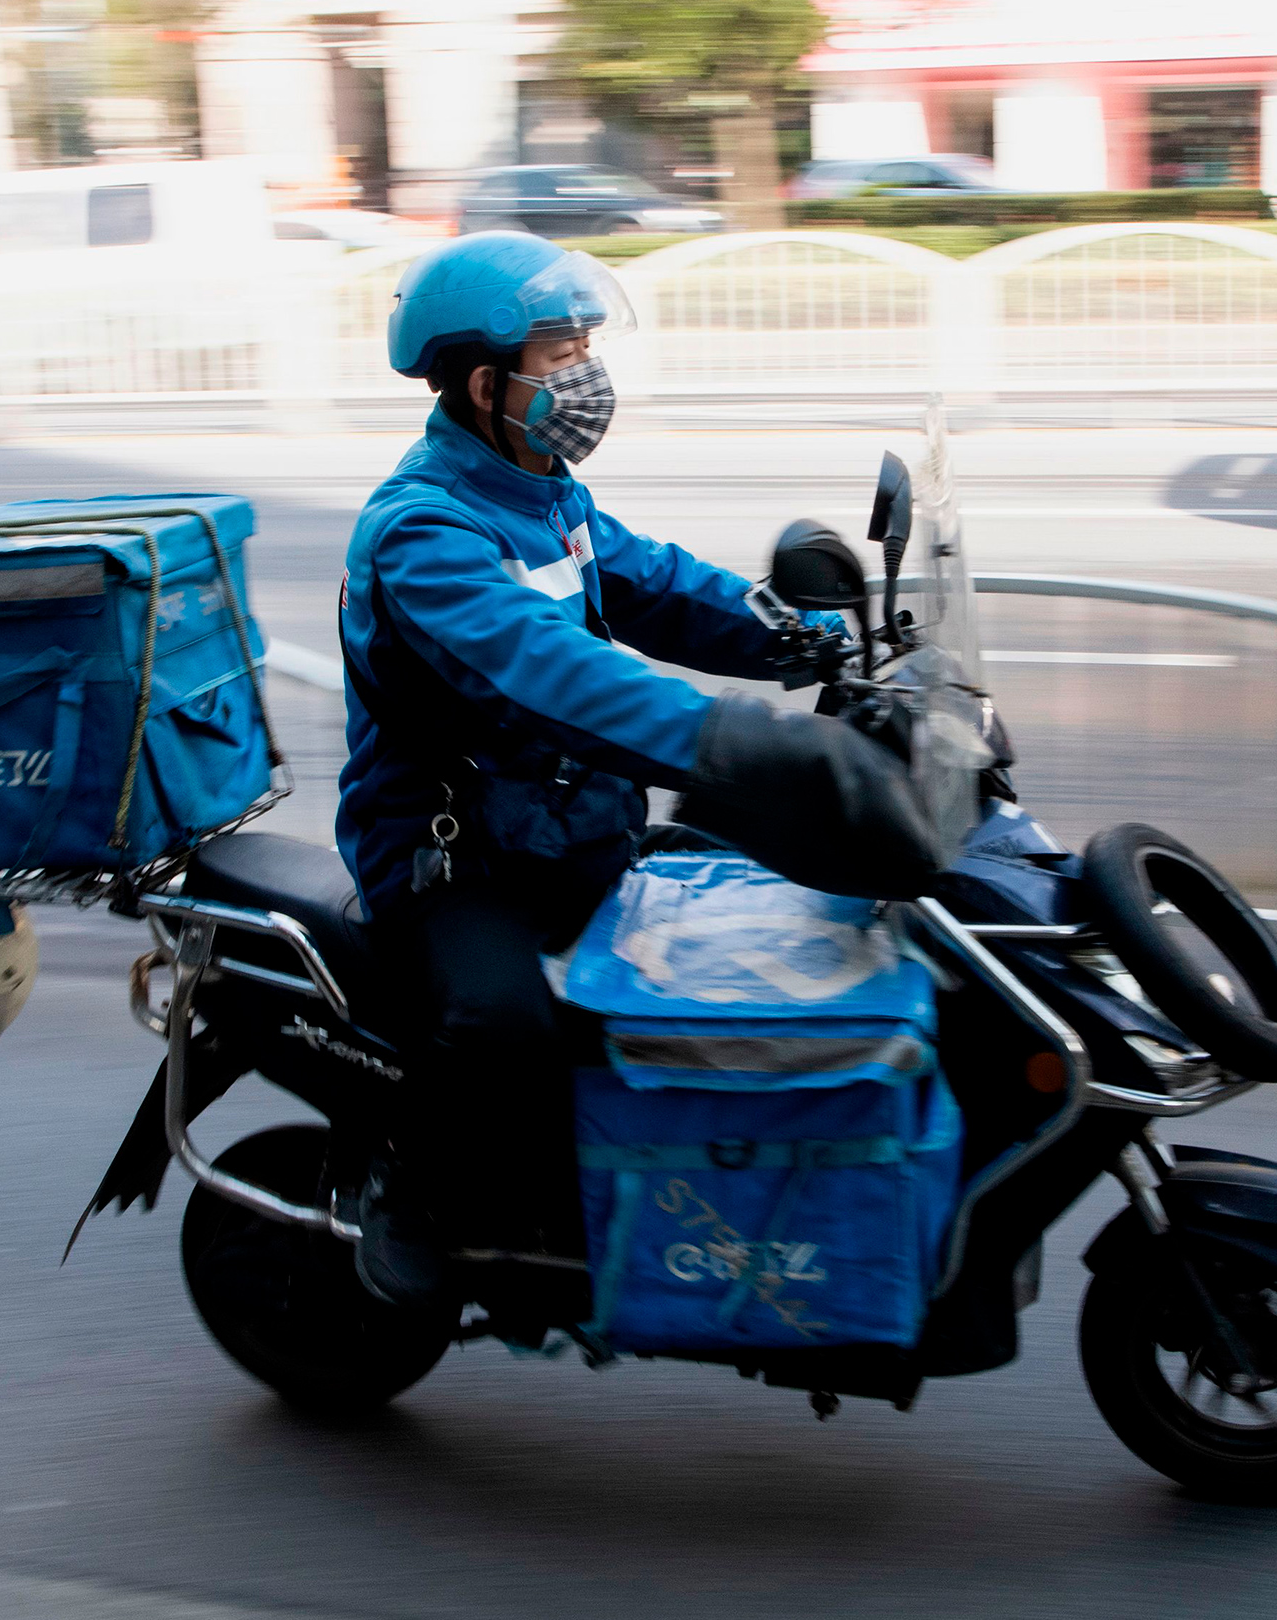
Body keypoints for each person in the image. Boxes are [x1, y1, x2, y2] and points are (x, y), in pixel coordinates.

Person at [337, 231, 943, 1305]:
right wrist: (737, 740)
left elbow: (656, 582)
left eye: (587, 350)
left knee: (763, 915)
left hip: (569, 823)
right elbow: (553, 675)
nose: (586, 379)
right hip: (456, 859)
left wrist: (798, 634)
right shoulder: (423, 535)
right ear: (486, 383)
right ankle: (419, 1190)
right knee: (504, 1023)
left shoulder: (543, 488)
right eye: (562, 355)